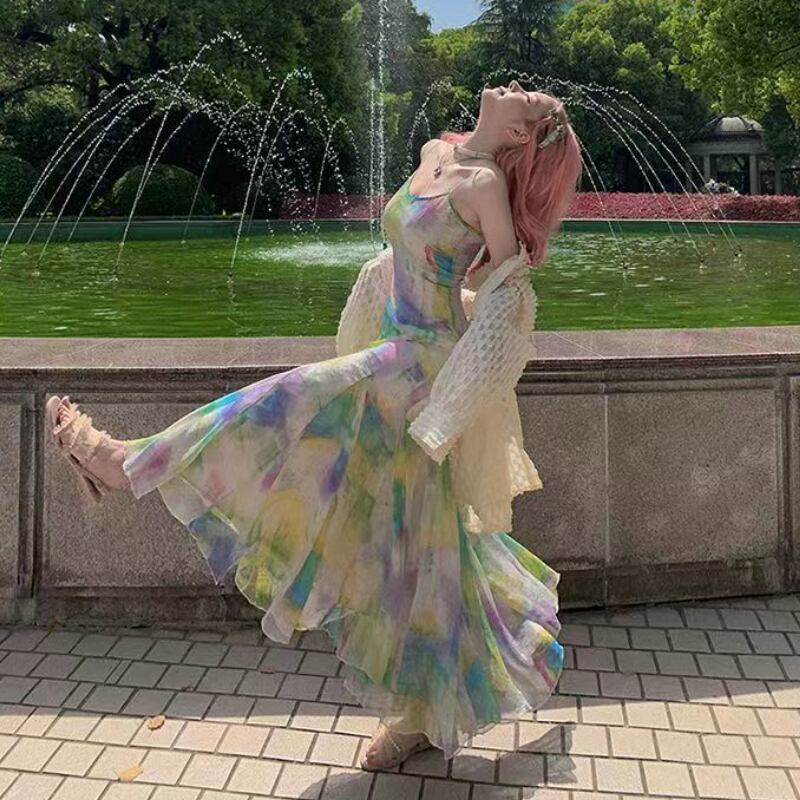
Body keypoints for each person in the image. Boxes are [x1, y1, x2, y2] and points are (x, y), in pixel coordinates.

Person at [46, 79, 583, 770]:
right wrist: (407, 276)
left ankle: (125, 463)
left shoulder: (483, 186)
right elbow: (409, 254)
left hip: (421, 369)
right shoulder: (436, 152)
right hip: (391, 348)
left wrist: (457, 394)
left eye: (529, 100)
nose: (516, 88)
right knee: (418, 546)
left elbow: (510, 292)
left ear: (518, 132)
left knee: (287, 405)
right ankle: (420, 716)